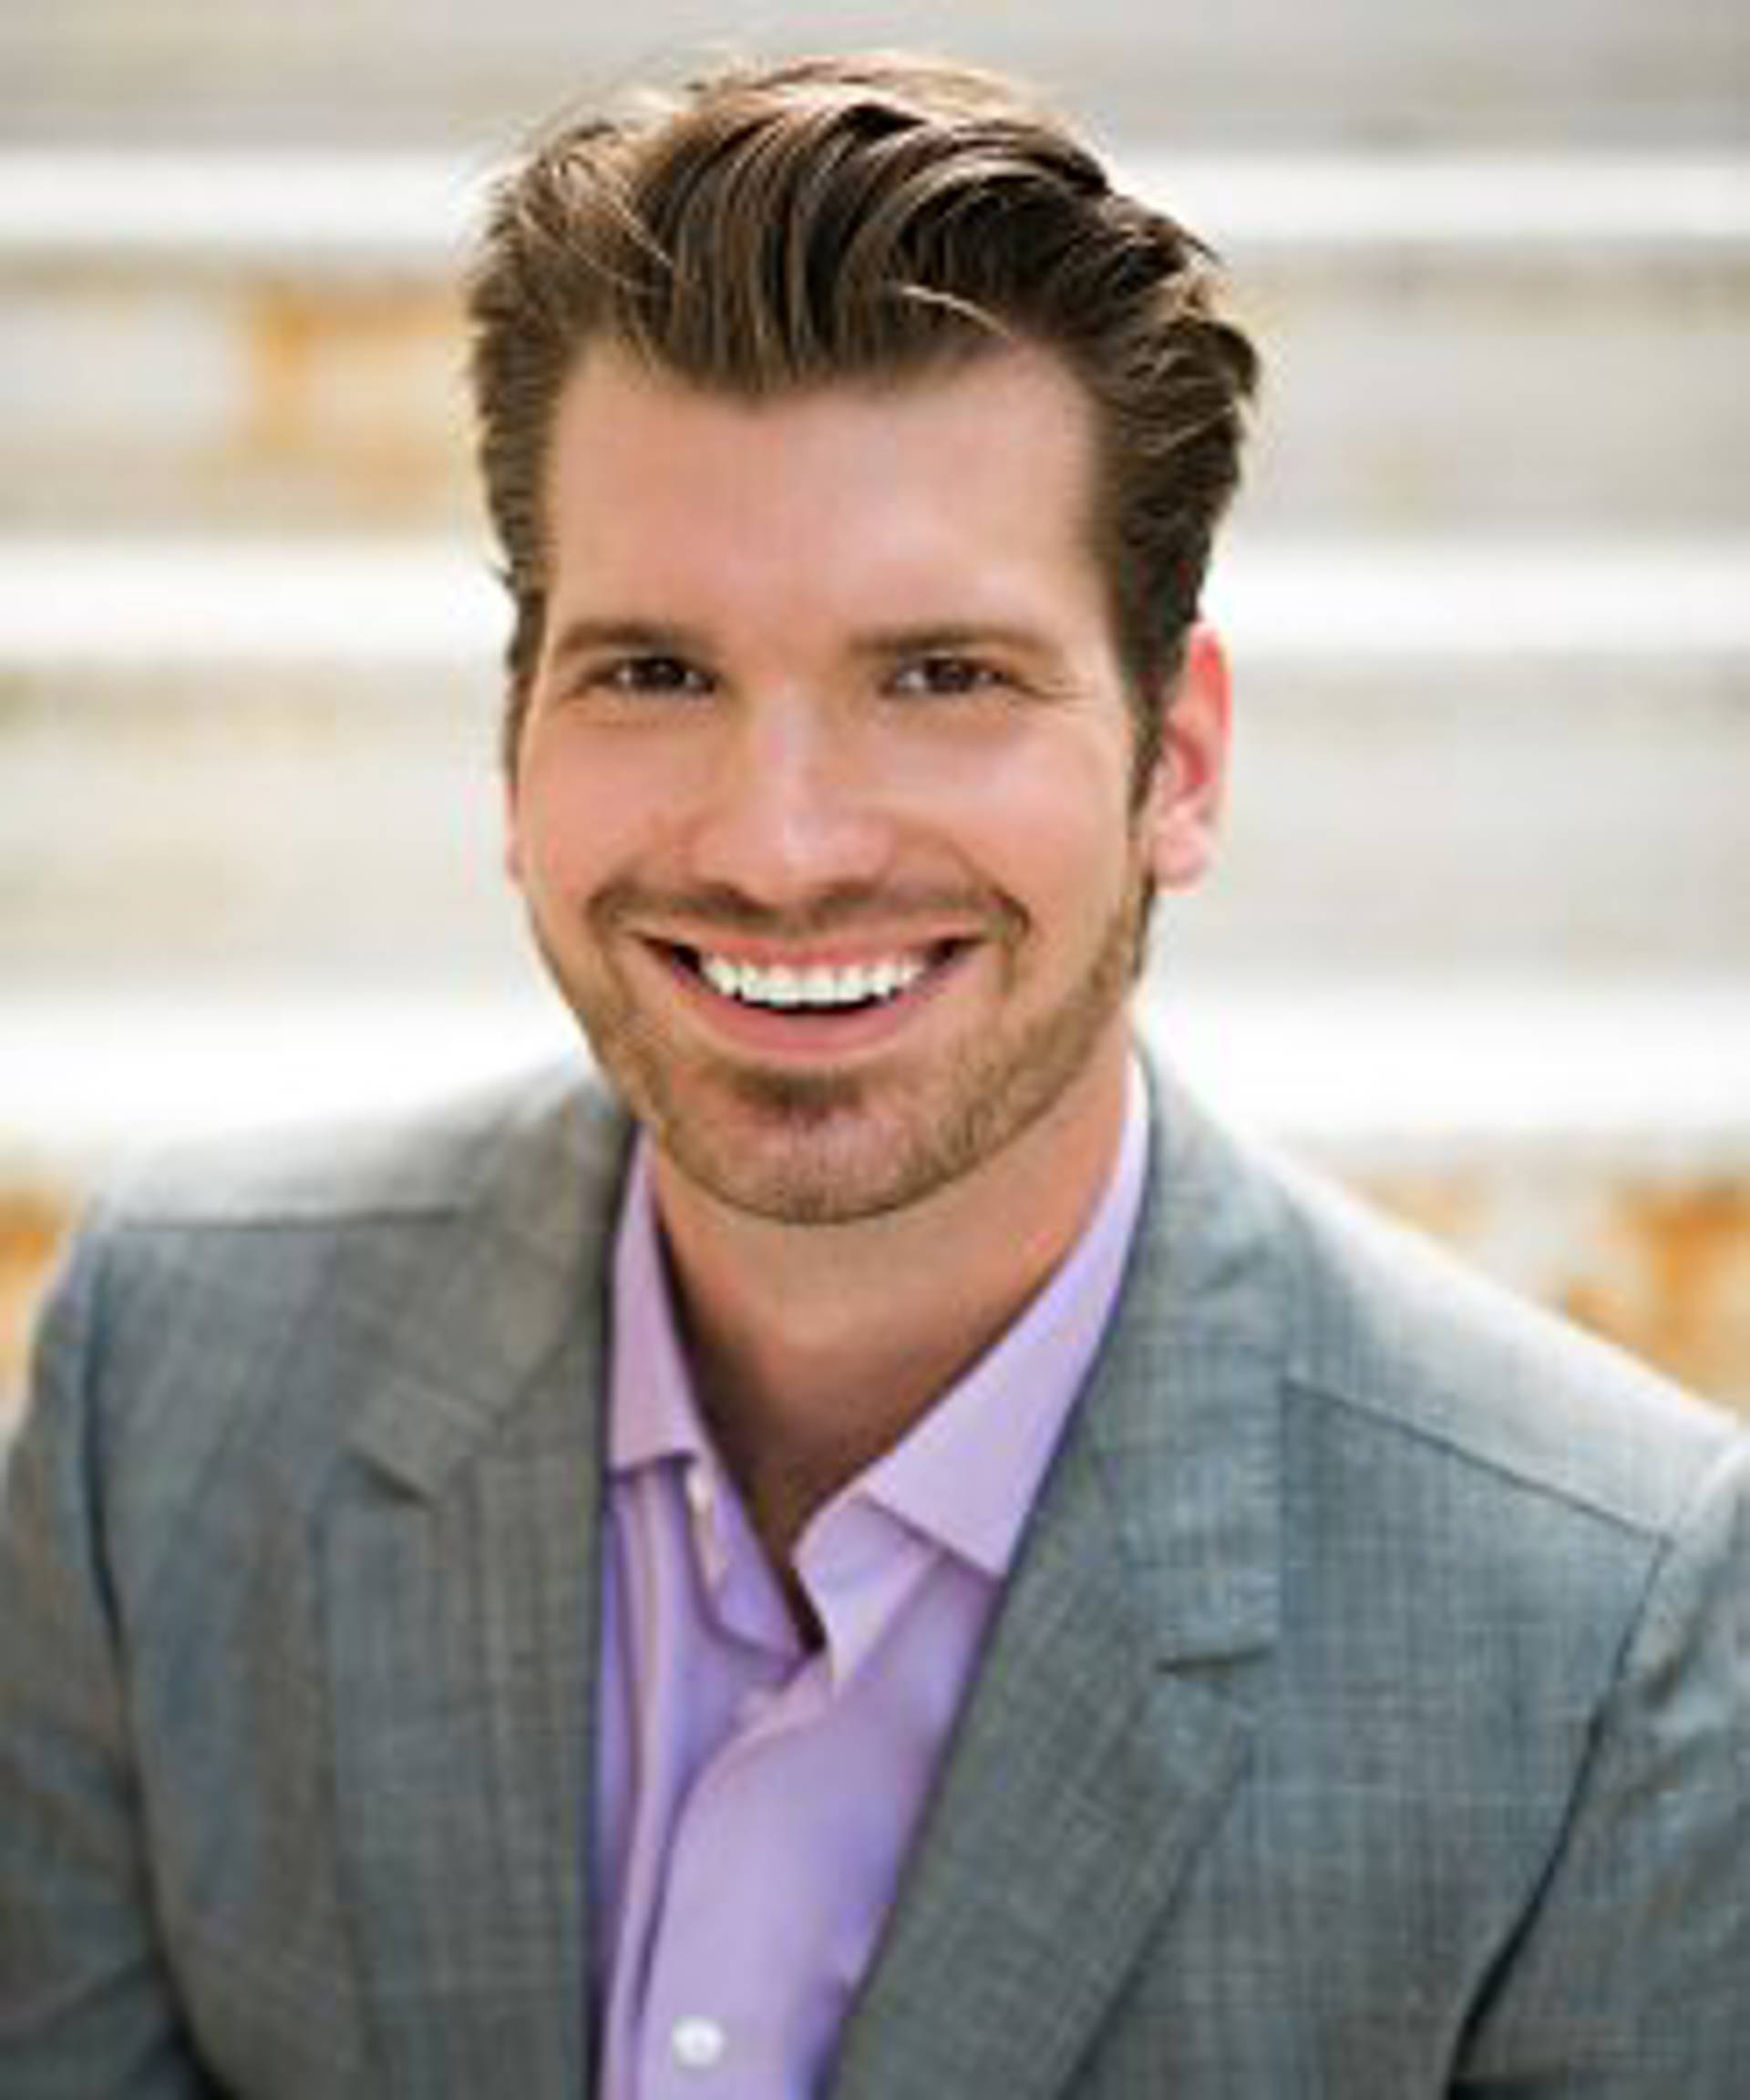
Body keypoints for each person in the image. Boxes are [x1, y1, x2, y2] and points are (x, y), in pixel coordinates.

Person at [1, 51, 1745, 2100]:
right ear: (512, 738)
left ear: (1175, 760)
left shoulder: (1607, 1632)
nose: (783, 843)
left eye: (944, 676)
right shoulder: (172, 1380)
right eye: (656, 672)